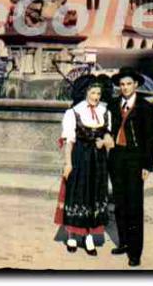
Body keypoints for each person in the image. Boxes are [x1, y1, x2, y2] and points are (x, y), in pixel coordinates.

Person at [54, 78, 114, 256]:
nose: (96, 97)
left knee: (94, 195)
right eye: (93, 93)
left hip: (98, 161)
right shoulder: (74, 112)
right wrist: (68, 163)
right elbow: (69, 141)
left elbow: (110, 141)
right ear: (86, 93)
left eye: (98, 94)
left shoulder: (105, 112)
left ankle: (89, 237)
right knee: (78, 194)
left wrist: (103, 142)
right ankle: (72, 235)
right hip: (79, 158)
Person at [108, 67, 153, 268]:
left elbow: (150, 138)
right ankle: (124, 242)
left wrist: (147, 165)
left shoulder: (145, 107)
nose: (125, 87)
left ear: (135, 85)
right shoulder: (113, 104)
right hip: (117, 158)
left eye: (128, 84)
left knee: (134, 205)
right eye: (122, 84)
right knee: (119, 203)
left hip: (136, 159)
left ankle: (135, 252)